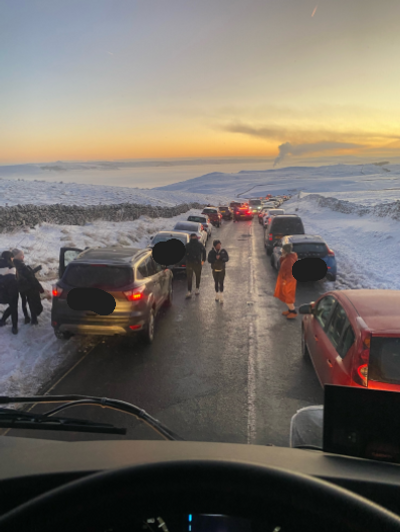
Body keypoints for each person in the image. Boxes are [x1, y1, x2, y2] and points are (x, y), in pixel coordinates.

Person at [11, 248, 44, 325]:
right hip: (29, 287)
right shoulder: (21, 265)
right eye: (22, 255)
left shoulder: (14, 264)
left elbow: (27, 274)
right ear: (18, 256)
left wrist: (37, 269)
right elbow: (31, 277)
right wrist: (39, 287)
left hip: (21, 288)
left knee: (24, 302)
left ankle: (27, 317)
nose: (23, 256)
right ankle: (34, 319)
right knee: (32, 302)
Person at [273, 242, 298, 319]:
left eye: (282, 250)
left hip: (288, 281)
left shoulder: (288, 261)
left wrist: (284, 281)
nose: (281, 251)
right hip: (288, 280)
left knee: (288, 296)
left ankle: (293, 311)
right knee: (286, 295)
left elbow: (288, 272)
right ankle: (290, 310)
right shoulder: (290, 257)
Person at [0, 251, 20, 334]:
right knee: (13, 308)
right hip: (11, 292)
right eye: (12, 257)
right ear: (9, 257)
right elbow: (13, 280)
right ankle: (14, 327)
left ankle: (2, 320)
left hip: (1, 292)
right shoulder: (12, 267)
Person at [207, 239, 229, 304]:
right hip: (215, 270)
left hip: (222, 269)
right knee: (216, 282)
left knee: (221, 282)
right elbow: (209, 260)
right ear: (215, 246)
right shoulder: (211, 252)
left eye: (220, 245)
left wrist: (222, 258)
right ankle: (217, 294)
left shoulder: (223, 251)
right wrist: (214, 259)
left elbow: (227, 258)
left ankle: (221, 295)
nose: (219, 246)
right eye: (218, 245)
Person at [185, 234, 206, 298]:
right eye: (192, 237)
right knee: (190, 277)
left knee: (197, 276)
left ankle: (196, 289)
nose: (193, 238)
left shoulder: (199, 245)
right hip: (191, 263)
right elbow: (184, 254)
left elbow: (204, 251)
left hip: (197, 263)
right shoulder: (188, 245)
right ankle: (190, 290)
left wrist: (203, 260)